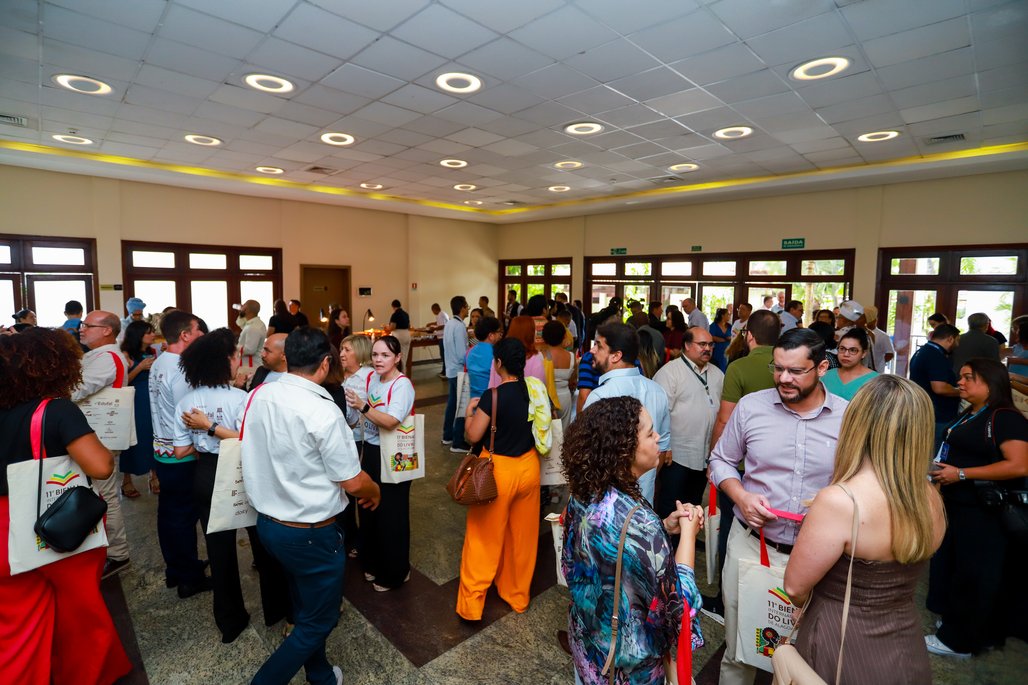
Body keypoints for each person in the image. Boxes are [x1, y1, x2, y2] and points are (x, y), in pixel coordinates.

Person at [784, 375, 946, 683]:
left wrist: (805, 605)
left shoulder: (841, 501)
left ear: (858, 424)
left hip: (842, 640)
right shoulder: (931, 497)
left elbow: (794, 587)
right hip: (905, 643)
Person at [709, 328, 847, 685]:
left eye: (795, 371)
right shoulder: (752, 407)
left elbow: (861, 480)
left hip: (818, 554)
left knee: (801, 654)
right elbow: (721, 461)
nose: (783, 378)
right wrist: (741, 496)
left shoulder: (847, 418)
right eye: (778, 368)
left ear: (822, 368)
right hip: (751, 544)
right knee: (740, 644)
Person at [242, 327, 379, 685]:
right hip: (309, 532)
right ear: (325, 363)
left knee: (304, 603)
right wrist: (374, 490)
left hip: (269, 524)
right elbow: (352, 481)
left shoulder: (259, 394)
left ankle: (320, 675)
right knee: (320, 619)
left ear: (286, 358)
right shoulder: (322, 410)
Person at [0, 327, 131, 685]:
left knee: (17, 619)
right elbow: (100, 466)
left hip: (2, 526)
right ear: (58, 366)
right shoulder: (56, 410)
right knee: (80, 609)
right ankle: (85, 674)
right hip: (51, 521)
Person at [562, 396, 704, 685]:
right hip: (627, 670)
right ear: (624, 449)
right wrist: (688, 535)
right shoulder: (640, 524)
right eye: (650, 433)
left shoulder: (583, 493)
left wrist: (664, 527)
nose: (658, 438)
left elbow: (577, 563)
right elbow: (679, 607)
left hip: (589, 649)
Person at [172, 328, 289, 644]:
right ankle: (275, 608)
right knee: (262, 541)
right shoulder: (243, 398)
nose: (240, 361)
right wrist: (216, 429)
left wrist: (202, 435)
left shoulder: (187, 400)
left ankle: (230, 621)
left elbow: (180, 451)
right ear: (224, 361)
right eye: (236, 356)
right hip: (243, 471)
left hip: (206, 474)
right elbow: (255, 441)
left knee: (218, 550)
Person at [926, 358, 1028, 658]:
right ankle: (957, 625)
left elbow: (1019, 464)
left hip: (984, 513)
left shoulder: (1006, 417)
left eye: (968, 377)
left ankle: (961, 641)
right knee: (955, 569)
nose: (960, 382)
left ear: (990, 381)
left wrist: (961, 474)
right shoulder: (972, 412)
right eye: (960, 377)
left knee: (974, 575)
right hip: (958, 507)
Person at [457, 338, 550, 621]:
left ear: (498, 364)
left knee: (483, 538)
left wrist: (468, 414)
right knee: (522, 537)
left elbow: (473, 436)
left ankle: (472, 606)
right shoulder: (534, 391)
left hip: (499, 473)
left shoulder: (493, 396)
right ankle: (517, 595)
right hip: (529, 468)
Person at [343, 335, 415, 592]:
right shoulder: (373, 378)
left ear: (397, 358)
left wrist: (362, 407)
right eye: (375, 355)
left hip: (396, 454)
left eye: (385, 355)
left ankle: (396, 573)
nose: (379, 360)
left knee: (392, 514)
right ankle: (372, 563)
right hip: (373, 451)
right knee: (369, 509)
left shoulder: (402, 385)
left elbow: (391, 421)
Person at [150, 309, 210, 597]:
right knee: (184, 517)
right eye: (198, 330)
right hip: (181, 452)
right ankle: (189, 577)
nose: (201, 335)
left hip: (162, 448)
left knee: (169, 514)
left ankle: (175, 569)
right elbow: (190, 417)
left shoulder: (160, 361)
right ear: (185, 335)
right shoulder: (182, 369)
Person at [71, 310, 132, 578]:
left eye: (88, 325)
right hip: (94, 436)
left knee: (106, 495)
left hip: (102, 438)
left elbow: (75, 390)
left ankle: (117, 554)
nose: (81, 329)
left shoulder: (107, 358)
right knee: (100, 493)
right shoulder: (98, 355)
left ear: (107, 330)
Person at [582, 322, 670, 506]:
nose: (592, 350)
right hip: (643, 502)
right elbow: (661, 450)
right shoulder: (658, 391)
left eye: (598, 345)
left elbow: (586, 459)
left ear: (616, 356)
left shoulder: (599, 397)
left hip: (605, 507)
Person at [655, 327, 724, 512]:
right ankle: (668, 541)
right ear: (686, 345)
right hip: (677, 455)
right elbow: (659, 413)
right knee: (671, 505)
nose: (707, 348)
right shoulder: (670, 373)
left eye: (710, 344)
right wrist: (665, 446)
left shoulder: (717, 374)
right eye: (702, 344)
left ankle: (687, 539)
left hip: (704, 454)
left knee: (694, 505)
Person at [338, 334, 374, 557]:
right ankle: (349, 535)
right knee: (344, 491)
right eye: (341, 349)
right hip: (343, 440)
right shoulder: (340, 377)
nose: (342, 354)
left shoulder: (368, 377)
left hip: (362, 440)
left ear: (360, 353)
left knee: (360, 488)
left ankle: (363, 540)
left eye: (347, 350)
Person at [119, 320, 157, 499]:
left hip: (151, 399)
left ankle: (154, 474)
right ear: (138, 335)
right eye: (149, 332)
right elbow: (122, 381)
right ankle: (126, 479)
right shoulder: (125, 354)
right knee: (133, 438)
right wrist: (140, 367)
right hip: (134, 400)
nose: (152, 335)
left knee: (152, 435)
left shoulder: (152, 352)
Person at [909, 323, 962, 449]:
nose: (958, 345)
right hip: (937, 414)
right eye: (957, 340)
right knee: (934, 452)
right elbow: (940, 388)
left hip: (927, 410)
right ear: (950, 339)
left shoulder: (923, 351)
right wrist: (962, 391)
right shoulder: (935, 355)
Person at [443, 296, 470, 451]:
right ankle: (458, 441)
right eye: (467, 307)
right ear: (462, 308)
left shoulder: (449, 324)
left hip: (451, 369)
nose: (468, 309)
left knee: (452, 404)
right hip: (459, 370)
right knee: (461, 406)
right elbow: (462, 354)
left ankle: (447, 435)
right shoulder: (459, 326)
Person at [821, 327, 878, 400]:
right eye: (842, 349)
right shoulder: (826, 376)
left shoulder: (875, 380)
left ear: (863, 353)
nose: (846, 354)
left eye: (853, 350)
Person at [541, 320, 576, 430]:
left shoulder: (541, 356)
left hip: (545, 397)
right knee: (563, 432)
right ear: (563, 336)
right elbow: (573, 381)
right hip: (565, 397)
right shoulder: (571, 356)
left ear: (544, 337)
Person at [235, 299, 267, 373]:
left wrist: (234, 348)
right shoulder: (253, 323)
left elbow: (250, 350)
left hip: (250, 367)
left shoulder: (253, 327)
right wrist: (241, 313)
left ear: (246, 309)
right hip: (249, 365)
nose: (241, 306)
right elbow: (239, 323)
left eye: (244, 305)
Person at [863, 305, 895, 373]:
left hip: (876, 372)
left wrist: (879, 363)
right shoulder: (859, 333)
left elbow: (890, 354)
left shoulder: (883, 336)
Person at [385, 299, 411, 366]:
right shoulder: (406, 314)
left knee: (398, 358)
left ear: (393, 306)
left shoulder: (395, 314)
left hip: (399, 336)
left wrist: (386, 327)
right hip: (407, 335)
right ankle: (404, 374)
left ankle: (399, 374)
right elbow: (409, 326)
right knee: (404, 358)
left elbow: (392, 327)